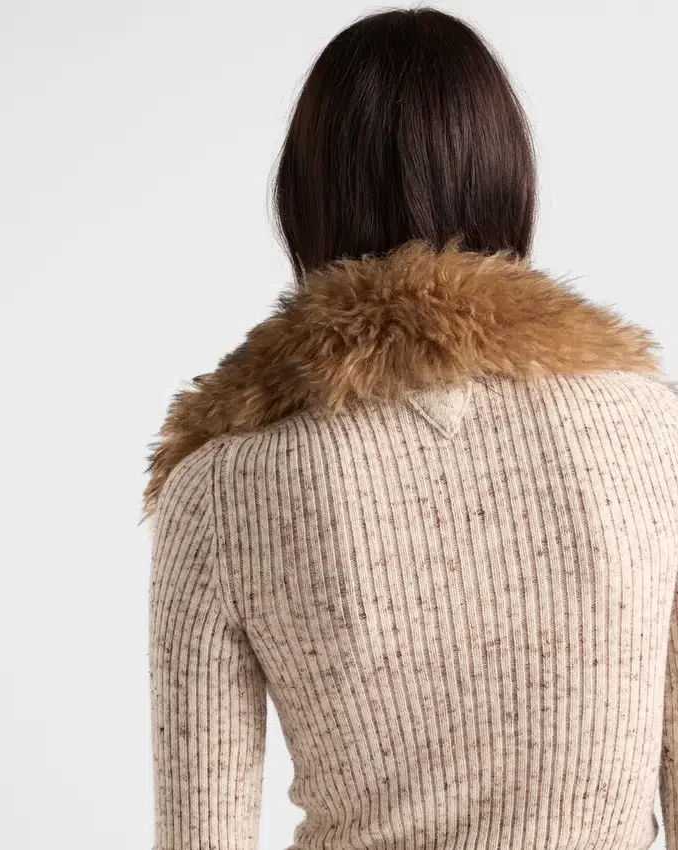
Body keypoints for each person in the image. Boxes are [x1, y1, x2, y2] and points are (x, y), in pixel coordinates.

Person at [144, 8, 678, 849]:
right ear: (512, 182)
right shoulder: (652, 432)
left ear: (301, 198)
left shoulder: (220, 487)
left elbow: (200, 833)